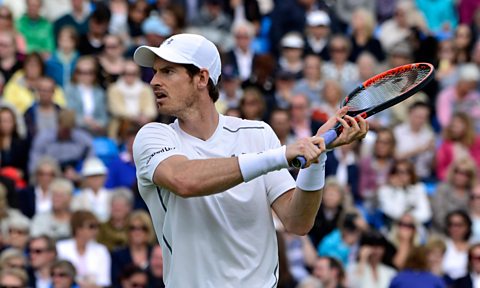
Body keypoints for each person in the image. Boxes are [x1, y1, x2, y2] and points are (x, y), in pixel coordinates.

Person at [132, 33, 368, 286]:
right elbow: (184, 180)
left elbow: (297, 221)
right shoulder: (153, 137)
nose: (154, 81)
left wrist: (317, 156)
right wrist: (280, 155)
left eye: (167, 71)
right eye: (155, 72)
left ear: (201, 78)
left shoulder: (258, 133)